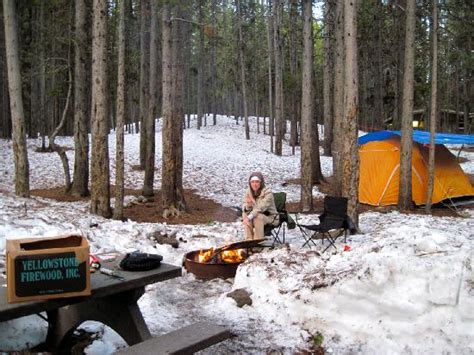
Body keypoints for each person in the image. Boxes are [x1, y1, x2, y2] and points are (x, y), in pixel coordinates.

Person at [242, 172, 279, 240]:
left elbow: (260, 208)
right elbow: (244, 206)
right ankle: (248, 242)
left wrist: (249, 217)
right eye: (252, 182)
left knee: (258, 217)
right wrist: (248, 206)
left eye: (257, 182)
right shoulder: (248, 192)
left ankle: (257, 243)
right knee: (245, 214)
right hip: (254, 215)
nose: (254, 184)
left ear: (261, 183)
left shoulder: (268, 193)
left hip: (270, 217)